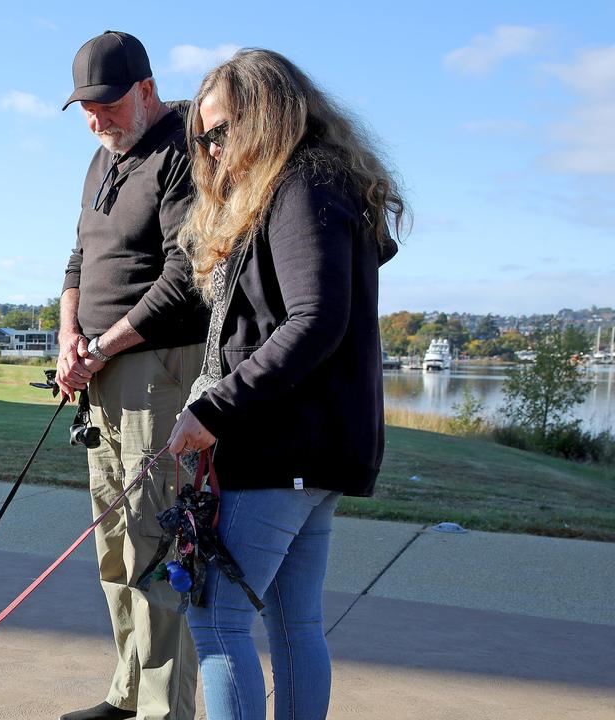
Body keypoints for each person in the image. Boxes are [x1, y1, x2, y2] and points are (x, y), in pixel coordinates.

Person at [167, 48, 403, 720]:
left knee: (216, 624)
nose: (213, 150)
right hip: (313, 452)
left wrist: (216, 407)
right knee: (293, 624)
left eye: (222, 130)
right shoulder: (322, 182)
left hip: (281, 451)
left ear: (267, 113)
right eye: (203, 138)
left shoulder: (303, 183)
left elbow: (316, 320)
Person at [55, 30, 210, 720]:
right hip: (100, 376)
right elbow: (77, 263)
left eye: (109, 104)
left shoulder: (185, 150)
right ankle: (126, 697)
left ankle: (163, 713)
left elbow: (187, 276)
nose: (98, 119)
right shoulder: (100, 157)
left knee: (155, 551)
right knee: (113, 549)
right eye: (87, 108)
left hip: (157, 372)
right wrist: (68, 339)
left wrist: (104, 345)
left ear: (146, 89)